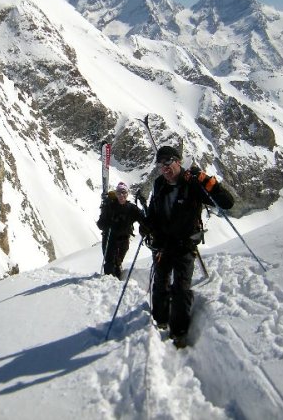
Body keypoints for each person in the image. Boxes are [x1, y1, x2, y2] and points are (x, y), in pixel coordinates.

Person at [144, 146, 234, 348]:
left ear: (177, 161)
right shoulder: (159, 184)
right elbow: (153, 212)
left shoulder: (193, 183)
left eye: (167, 163)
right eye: (160, 164)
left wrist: (209, 183)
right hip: (163, 244)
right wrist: (147, 228)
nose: (164, 168)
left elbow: (227, 203)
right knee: (160, 282)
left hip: (185, 245)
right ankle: (159, 320)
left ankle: (179, 332)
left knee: (181, 289)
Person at [97, 182, 146, 279]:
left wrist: (145, 227)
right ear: (116, 194)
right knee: (109, 264)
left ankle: (117, 277)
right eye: (119, 193)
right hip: (109, 239)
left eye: (124, 192)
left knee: (118, 263)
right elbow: (100, 224)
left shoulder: (131, 208)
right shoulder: (110, 207)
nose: (121, 195)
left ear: (127, 194)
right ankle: (108, 285)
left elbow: (142, 218)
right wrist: (107, 222)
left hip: (124, 241)